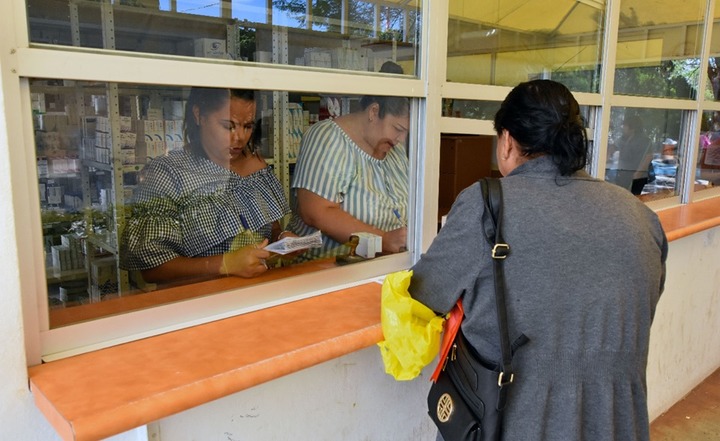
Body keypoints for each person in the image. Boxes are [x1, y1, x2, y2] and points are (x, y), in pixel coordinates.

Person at [409, 80, 668, 440]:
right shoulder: (641, 217)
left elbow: (424, 293)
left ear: (507, 141)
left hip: (513, 423)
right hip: (615, 424)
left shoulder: (487, 205)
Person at [121, 87, 297, 283]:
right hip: (201, 303)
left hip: (257, 295)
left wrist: (280, 239)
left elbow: (269, 226)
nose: (239, 137)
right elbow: (152, 268)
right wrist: (225, 264)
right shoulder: (168, 173)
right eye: (228, 126)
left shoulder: (256, 165)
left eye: (247, 126)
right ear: (199, 116)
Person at [286, 61, 410, 261]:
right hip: (325, 270)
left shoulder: (395, 150)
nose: (401, 139)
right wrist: (382, 240)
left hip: (379, 267)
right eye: (398, 129)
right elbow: (316, 212)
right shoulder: (327, 138)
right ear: (373, 112)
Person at [607, 114, 654, 194]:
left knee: (632, 197)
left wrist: (638, 173)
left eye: (625, 126)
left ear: (633, 128)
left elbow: (648, 157)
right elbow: (613, 147)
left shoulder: (644, 141)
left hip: (637, 176)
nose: (623, 128)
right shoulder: (623, 138)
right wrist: (607, 155)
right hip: (623, 174)